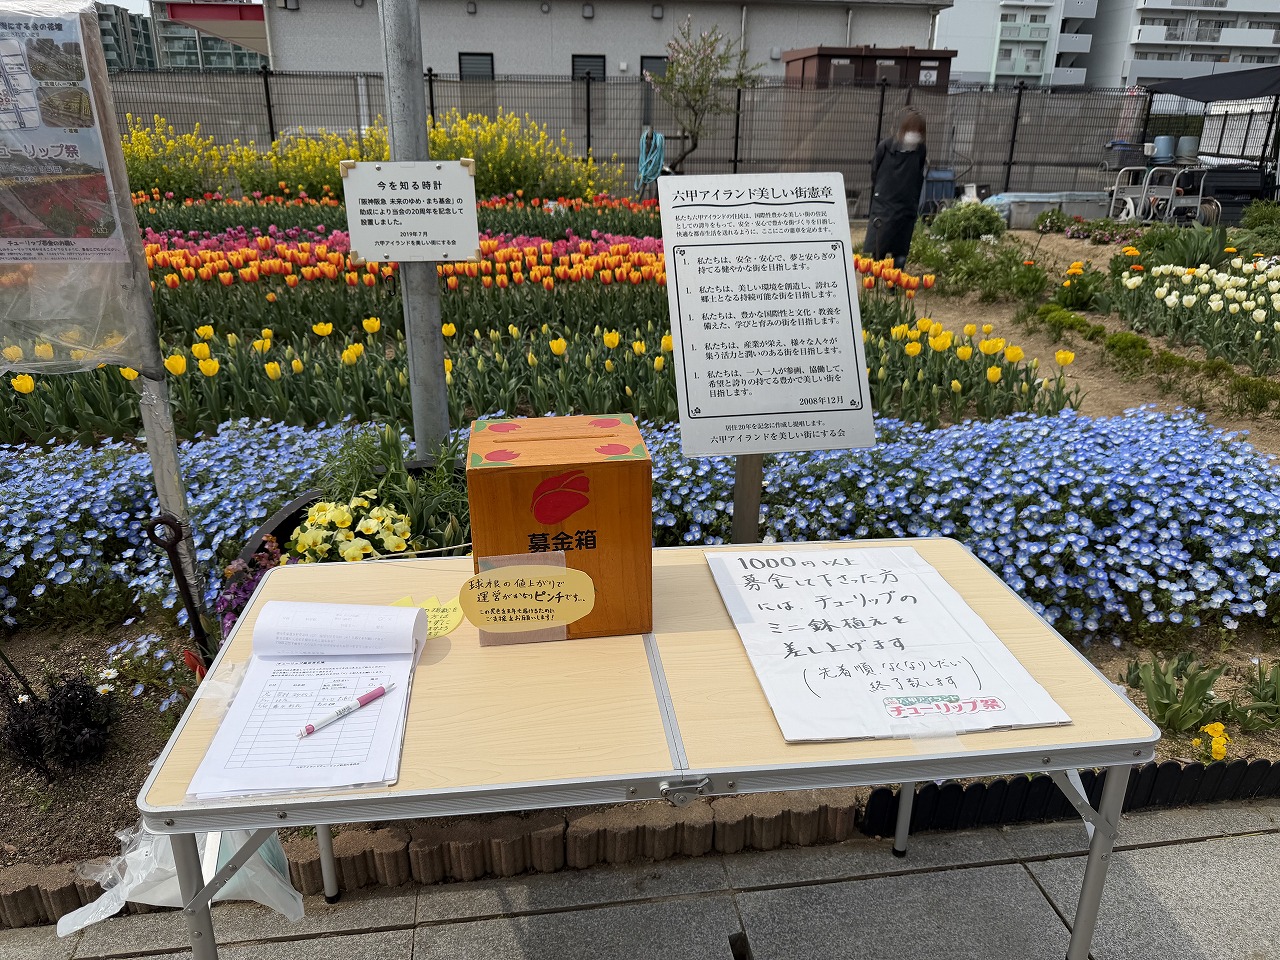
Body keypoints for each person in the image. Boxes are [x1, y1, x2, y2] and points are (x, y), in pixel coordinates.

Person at [863, 110, 927, 270]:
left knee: (901, 247)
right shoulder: (885, 146)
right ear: (903, 129)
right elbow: (875, 171)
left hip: (906, 204)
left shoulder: (920, 150)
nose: (914, 134)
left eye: (918, 131)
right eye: (911, 130)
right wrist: (880, 191)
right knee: (880, 242)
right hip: (884, 202)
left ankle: (894, 282)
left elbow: (919, 174)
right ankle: (876, 276)